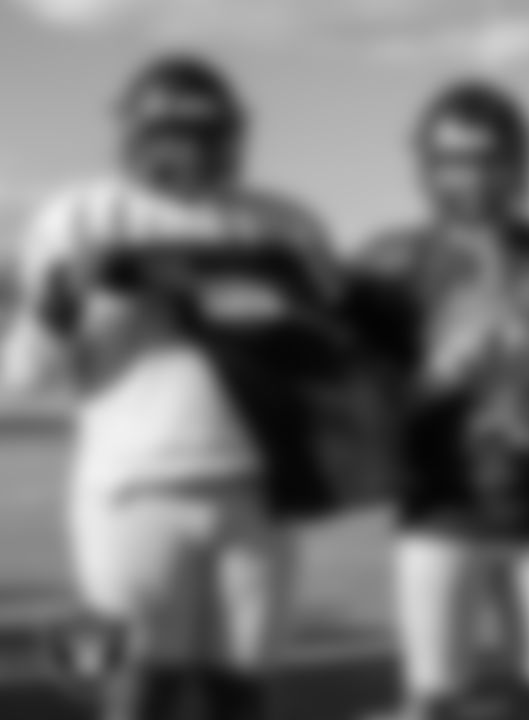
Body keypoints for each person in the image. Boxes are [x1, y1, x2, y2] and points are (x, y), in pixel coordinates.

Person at [0, 55, 342, 720]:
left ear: (231, 134)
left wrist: (285, 303)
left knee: (240, 688)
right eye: (169, 133)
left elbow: (333, 355)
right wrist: (62, 303)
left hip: (261, 490)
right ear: (135, 135)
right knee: (134, 687)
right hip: (132, 489)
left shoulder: (282, 222)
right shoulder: (81, 218)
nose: (186, 149)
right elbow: (22, 375)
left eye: (203, 132)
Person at [346, 80, 529, 720]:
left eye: (490, 157)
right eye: (454, 158)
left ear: (519, 160)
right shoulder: (390, 261)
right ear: (427, 164)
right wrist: (437, 377)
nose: (473, 175)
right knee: (435, 703)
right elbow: (356, 411)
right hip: (440, 513)